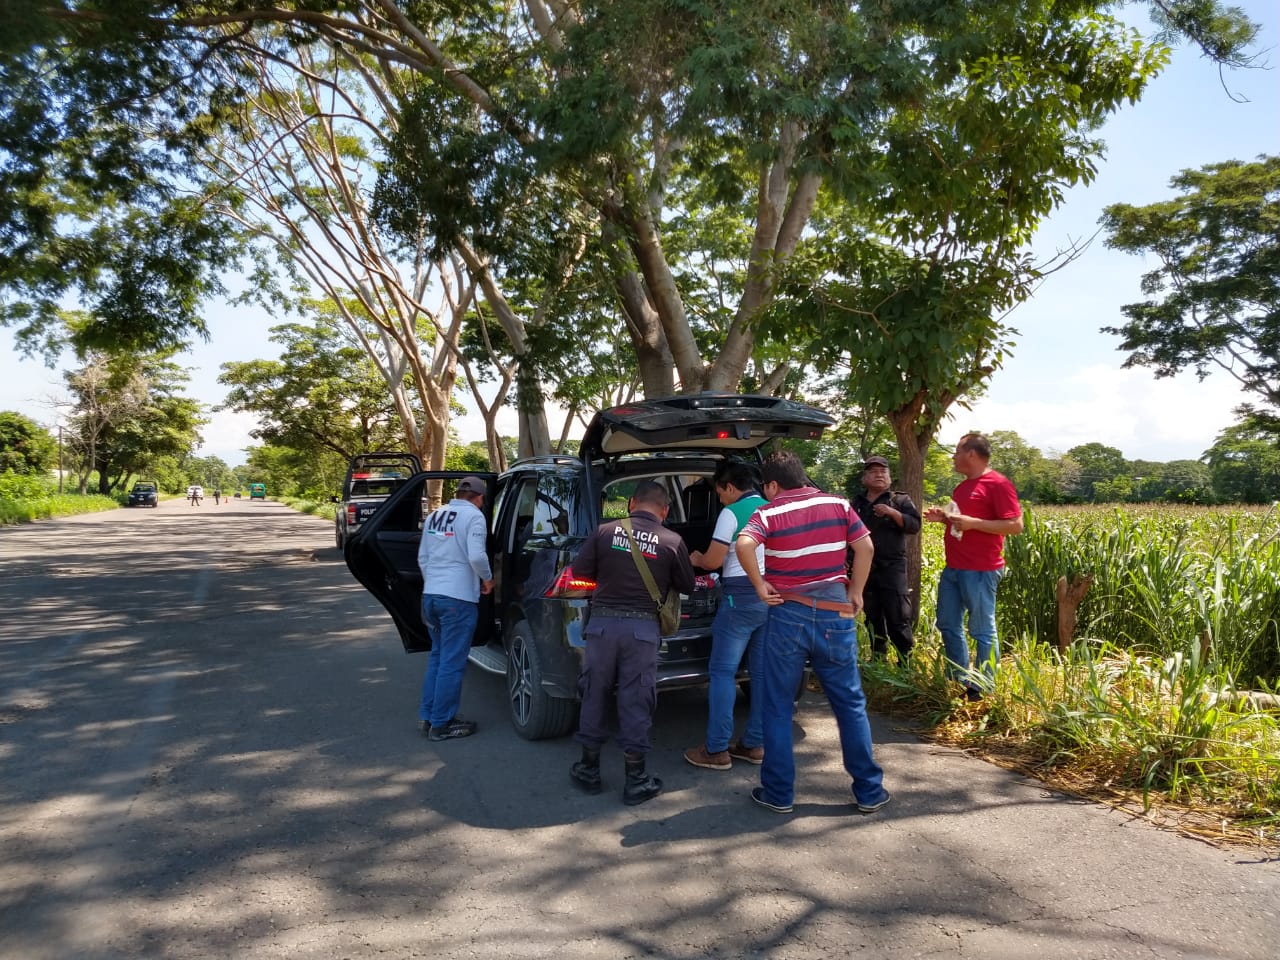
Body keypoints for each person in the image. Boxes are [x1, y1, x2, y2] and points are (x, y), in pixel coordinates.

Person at [735, 450, 890, 816]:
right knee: (850, 705)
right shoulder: (838, 504)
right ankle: (869, 791)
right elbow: (865, 546)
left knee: (776, 705)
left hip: (788, 614)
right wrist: (856, 592)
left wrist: (759, 586)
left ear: (773, 484)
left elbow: (744, 544)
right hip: (836, 616)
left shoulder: (767, 513)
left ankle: (778, 793)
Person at [569, 480, 696, 805]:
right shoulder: (672, 540)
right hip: (642, 631)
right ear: (665, 511)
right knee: (636, 699)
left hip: (602, 627)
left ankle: (588, 770)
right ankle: (636, 780)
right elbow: (686, 585)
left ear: (630, 503)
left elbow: (580, 570)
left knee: (594, 692)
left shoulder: (604, 532)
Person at [924, 433, 1024, 701]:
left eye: (957, 451)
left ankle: (983, 686)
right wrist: (945, 519)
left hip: (981, 569)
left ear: (971, 453)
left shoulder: (998, 484)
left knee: (981, 628)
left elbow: (1015, 525)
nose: (953, 456)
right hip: (954, 568)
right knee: (947, 623)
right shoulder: (963, 487)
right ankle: (958, 678)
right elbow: (963, 522)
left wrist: (974, 523)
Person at [683, 460, 769, 771]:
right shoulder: (772, 508)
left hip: (740, 597)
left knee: (722, 672)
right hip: (771, 596)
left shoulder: (731, 513)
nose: (720, 499)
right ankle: (754, 745)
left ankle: (716, 749)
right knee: (761, 674)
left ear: (730, 488)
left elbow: (713, 560)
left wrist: (696, 558)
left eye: (720, 493)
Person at [416, 476, 494, 741]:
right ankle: (442, 724)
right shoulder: (474, 517)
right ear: (480, 498)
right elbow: (476, 555)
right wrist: (487, 578)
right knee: (452, 662)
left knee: (438, 657)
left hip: (431, 596)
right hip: (457, 599)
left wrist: (435, 585)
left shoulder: (435, 516)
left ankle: (429, 717)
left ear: (458, 494)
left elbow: (423, 558)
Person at [852, 456, 921, 662]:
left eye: (883, 472)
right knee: (872, 617)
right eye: (873, 472)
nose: (879, 475)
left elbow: (914, 525)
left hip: (892, 568)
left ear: (890, 478)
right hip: (866, 569)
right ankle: (877, 661)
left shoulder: (900, 500)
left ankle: (905, 663)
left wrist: (892, 513)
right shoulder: (856, 503)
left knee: (898, 616)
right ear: (864, 478)